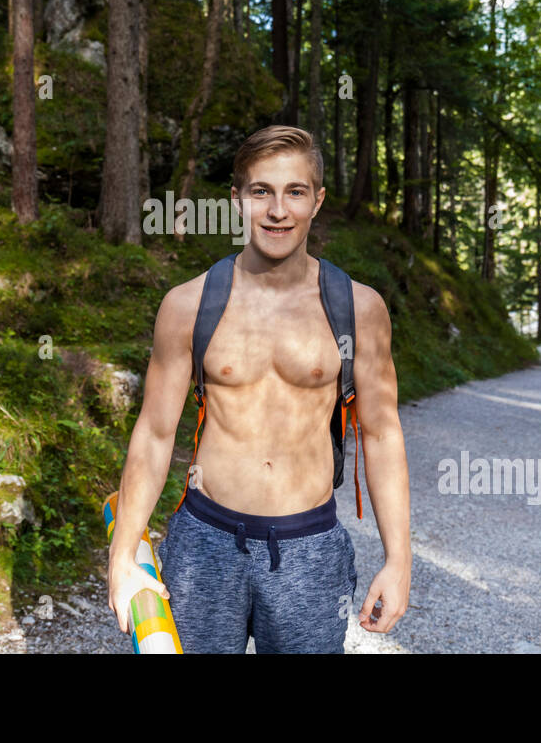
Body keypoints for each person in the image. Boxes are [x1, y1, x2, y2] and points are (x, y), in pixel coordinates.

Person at [107, 125, 411, 653]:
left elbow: (383, 435)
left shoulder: (360, 309)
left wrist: (399, 561)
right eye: (260, 192)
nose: (278, 210)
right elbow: (155, 434)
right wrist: (122, 557)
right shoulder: (188, 304)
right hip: (204, 542)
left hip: (309, 550)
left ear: (316, 201)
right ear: (236, 200)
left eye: (294, 191)